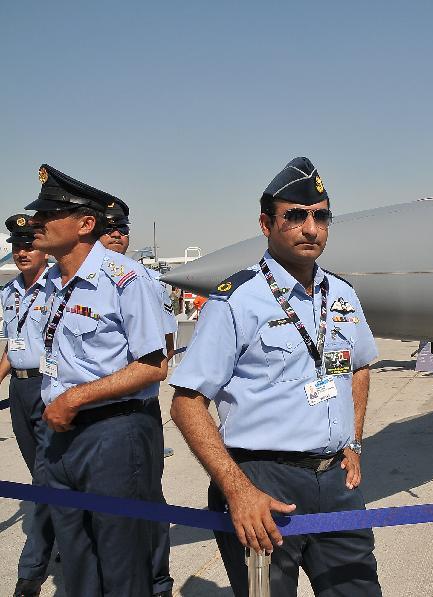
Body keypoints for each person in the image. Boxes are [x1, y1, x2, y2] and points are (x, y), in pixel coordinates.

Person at [170, 157, 382, 596]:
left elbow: (359, 365)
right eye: (296, 216)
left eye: (321, 216)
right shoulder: (237, 300)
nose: (311, 228)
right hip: (263, 483)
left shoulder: (342, 294)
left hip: (336, 483)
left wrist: (354, 442)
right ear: (266, 224)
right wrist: (237, 491)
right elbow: (186, 402)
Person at [26, 164, 169, 597]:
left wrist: (74, 398)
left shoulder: (125, 279)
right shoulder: (50, 281)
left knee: (121, 559)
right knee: (75, 556)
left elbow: (152, 365)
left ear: (85, 224)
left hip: (114, 434)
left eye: (48, 214)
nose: (36, 222)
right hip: (61, 435)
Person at [98, 197, 176, 597]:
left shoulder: (146, 284)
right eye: (109, 227)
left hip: (134, 410)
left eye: (122, 228)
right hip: (93, 419)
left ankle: (157, 580)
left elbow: (162, 353)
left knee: (147, 498)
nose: (116, 234)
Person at [0, 214, 55, 597]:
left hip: (49, 386)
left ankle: (31, 571)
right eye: (17, 246)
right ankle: (69, 541)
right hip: (20, 392)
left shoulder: (57, 289)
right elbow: (10, 348)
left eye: (29, 244)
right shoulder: (9, 292)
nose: (22, 252)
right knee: (43, 473)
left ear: (43, 249)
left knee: (44, 477)